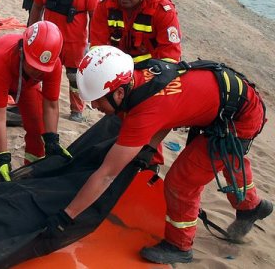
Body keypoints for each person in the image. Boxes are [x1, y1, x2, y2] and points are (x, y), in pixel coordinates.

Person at [44, 45, 270, 264]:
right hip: (232, 102)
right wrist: (150, 149)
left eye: (98, 99)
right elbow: (169, 113)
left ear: (120, 92)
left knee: (181, 182)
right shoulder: (142, 76)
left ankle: (180, 246)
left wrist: (67, 216)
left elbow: (106, 175)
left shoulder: (145, 112)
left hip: (240, 118)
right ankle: (251, 208)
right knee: (229, 157)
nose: (94, 105)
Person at [0, 21, 68, 190]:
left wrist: (52, 139)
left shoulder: (52, 65)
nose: (38, 72)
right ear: (22, 49)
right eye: (34, 66)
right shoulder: (0, 60)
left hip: (26, 83)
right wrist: (3, 158)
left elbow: (50, 105)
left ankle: (32, 172)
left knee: (38, 125)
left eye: (43, 69)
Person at [28, 0, 100, 123]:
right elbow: (37, 6)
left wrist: (93, 44)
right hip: (49, 41)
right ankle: (36, 104)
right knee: (41, 72)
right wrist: (30, 31)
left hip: (76, 43)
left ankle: (77, 110)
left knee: (74, 78)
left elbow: (95, 17)